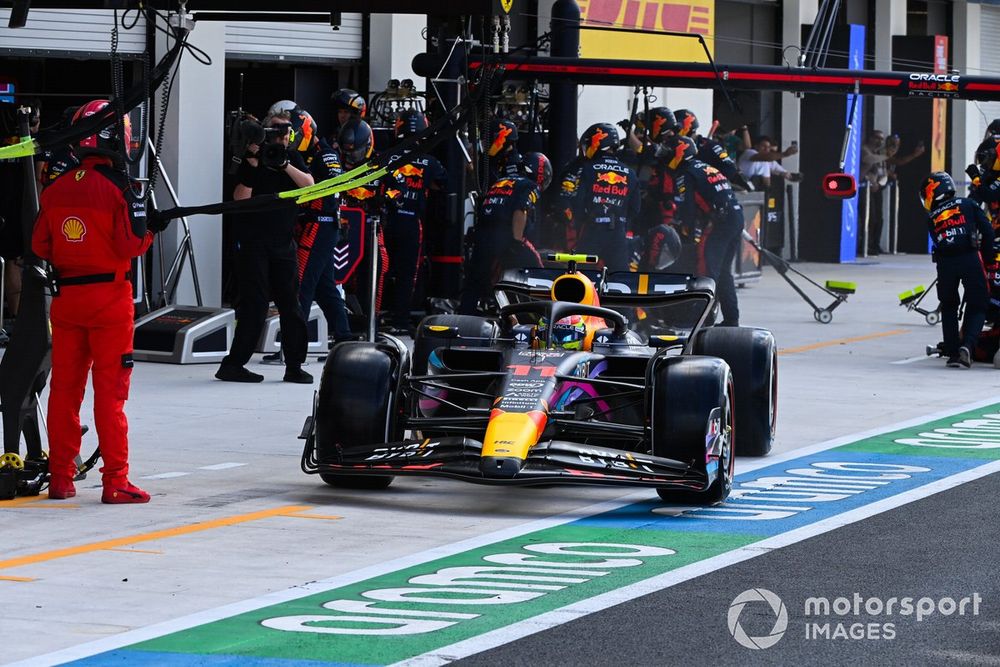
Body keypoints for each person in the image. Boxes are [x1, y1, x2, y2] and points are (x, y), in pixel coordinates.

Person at [31, 99, 167, 503]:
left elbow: (40, 243)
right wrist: (149, 229)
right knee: (110, 395)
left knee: (63, 392)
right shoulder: (122, 189)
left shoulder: (56, 188)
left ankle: (60, 477)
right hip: (109, 301)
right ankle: (116, 481)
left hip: (67, 301)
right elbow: (132, 244)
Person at [216, 110, 314, 384]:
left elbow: (309, 186)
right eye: (274, 130)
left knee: (291, 305)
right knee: (254, 305)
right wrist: (253, 162)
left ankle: (294, 365)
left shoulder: (291, 157)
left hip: (283, 243)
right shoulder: (247, 161)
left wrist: (283, 164)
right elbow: (239, 198)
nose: (280, 135)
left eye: (285, 130)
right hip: (252, 243)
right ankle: (233, 365)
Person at [660, 134, 745, 326]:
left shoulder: (685, 173)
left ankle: (699, 319)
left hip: (720, 222)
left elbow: (687, 208)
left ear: (678, 153)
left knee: (706, 270)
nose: (664, 156)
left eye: (667, 152)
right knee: (723, 271)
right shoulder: (705, 167)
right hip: (735, 217)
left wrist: (684, 229)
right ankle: (732, 319)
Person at [291, 106, 353, 345]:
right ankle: (344, 336)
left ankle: (293, 345)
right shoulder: (308, 154)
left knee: (302, 285)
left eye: (294, 135)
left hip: (320, 225)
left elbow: (332, 188)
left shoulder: (325, 154)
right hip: (316, 225)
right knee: (325, 287)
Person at [382, 109, 447, 335]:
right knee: (408, 273)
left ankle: (376, 314)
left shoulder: (388, 156)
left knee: (380, 268)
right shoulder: (430, 161)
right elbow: (442, 185)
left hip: (385, 222)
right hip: (411, 223)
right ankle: (400, 320)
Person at [923, 171, 992, 368]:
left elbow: (937, 242)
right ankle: (968, 347)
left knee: (949, 306)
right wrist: (987, 259)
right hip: (970, 257)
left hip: (945, 264)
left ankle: (953, 353)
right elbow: (986, 230)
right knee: (979, 304)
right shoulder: (967, 204)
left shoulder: (932, 217)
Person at [459, 167, 543, 314]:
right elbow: (521, 208)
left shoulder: (499, 181)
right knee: (535, 266)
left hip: (482, 232)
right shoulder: (529, 185)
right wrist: (517, 241)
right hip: (505, 234)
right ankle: (538, 311)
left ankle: (465, 316)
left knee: (475, 278)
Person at [337, 118, 388, 325]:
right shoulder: (335, 161)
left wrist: (386, 198)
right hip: (341, 227)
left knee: (377, 268)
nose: (351, 156)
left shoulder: (382, 164)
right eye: (347, 151)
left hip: (370, 227)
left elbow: (397, 192)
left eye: (355, 151)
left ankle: (370, 319)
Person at [571, 123, 641, 272]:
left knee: (581, 275)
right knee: (620, 277)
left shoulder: (588, 169)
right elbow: (636, 208)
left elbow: (577, 203)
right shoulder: (630, 173)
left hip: (593, 229)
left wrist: (580, 223)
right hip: (618, 232)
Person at [859, 129, 925, 255]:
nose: (880, 141)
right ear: (870, 138)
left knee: (878, 218)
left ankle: (874, 244)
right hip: (865, 188)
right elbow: (869, 161)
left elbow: (885, 167)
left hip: (877, 187)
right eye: (877, 138)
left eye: (881, 139)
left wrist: (887, 174)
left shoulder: (879, 153)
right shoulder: (866, 151)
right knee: (870, 217)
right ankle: (865, 245)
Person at [673, 109, 754, 192]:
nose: (672, 134)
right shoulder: (672, 147)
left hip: (708, 193)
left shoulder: (710, 147)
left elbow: (731, 171)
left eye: (674, 130)